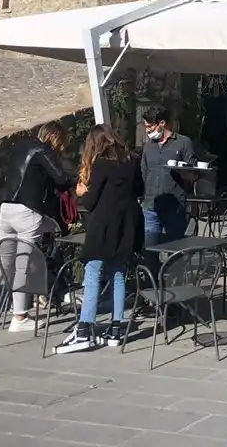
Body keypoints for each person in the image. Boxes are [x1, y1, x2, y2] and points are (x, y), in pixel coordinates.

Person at [0, 122, 72, 331]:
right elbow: (62, 179)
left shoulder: (19, 146)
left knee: (2, 262)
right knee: (23, 264)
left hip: (6, 208)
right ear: (55, 138)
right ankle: (19, 317)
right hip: (28, 211)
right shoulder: (44, 151)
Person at [57, 127, 143, 353]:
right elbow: (140, 189)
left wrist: (82, 191)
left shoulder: (101, 164)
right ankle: (116, 328)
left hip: (104, 225)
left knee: (93, 272)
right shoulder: (132, 161)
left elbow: (91, 202)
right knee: (117, 274)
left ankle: (84, 329)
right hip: (127, 225)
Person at [138, 107, 194, 250]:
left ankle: (175, 272)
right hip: (150, 206)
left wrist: (183, 172)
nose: (147, 130)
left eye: (150, 126)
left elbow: (193, 174)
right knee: (150, 249)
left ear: (162, 123)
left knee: (175, 249)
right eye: (145, 126)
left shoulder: (183, 143)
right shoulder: (148, 146)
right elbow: (143, 172)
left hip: (174, 206)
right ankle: (152, 272)